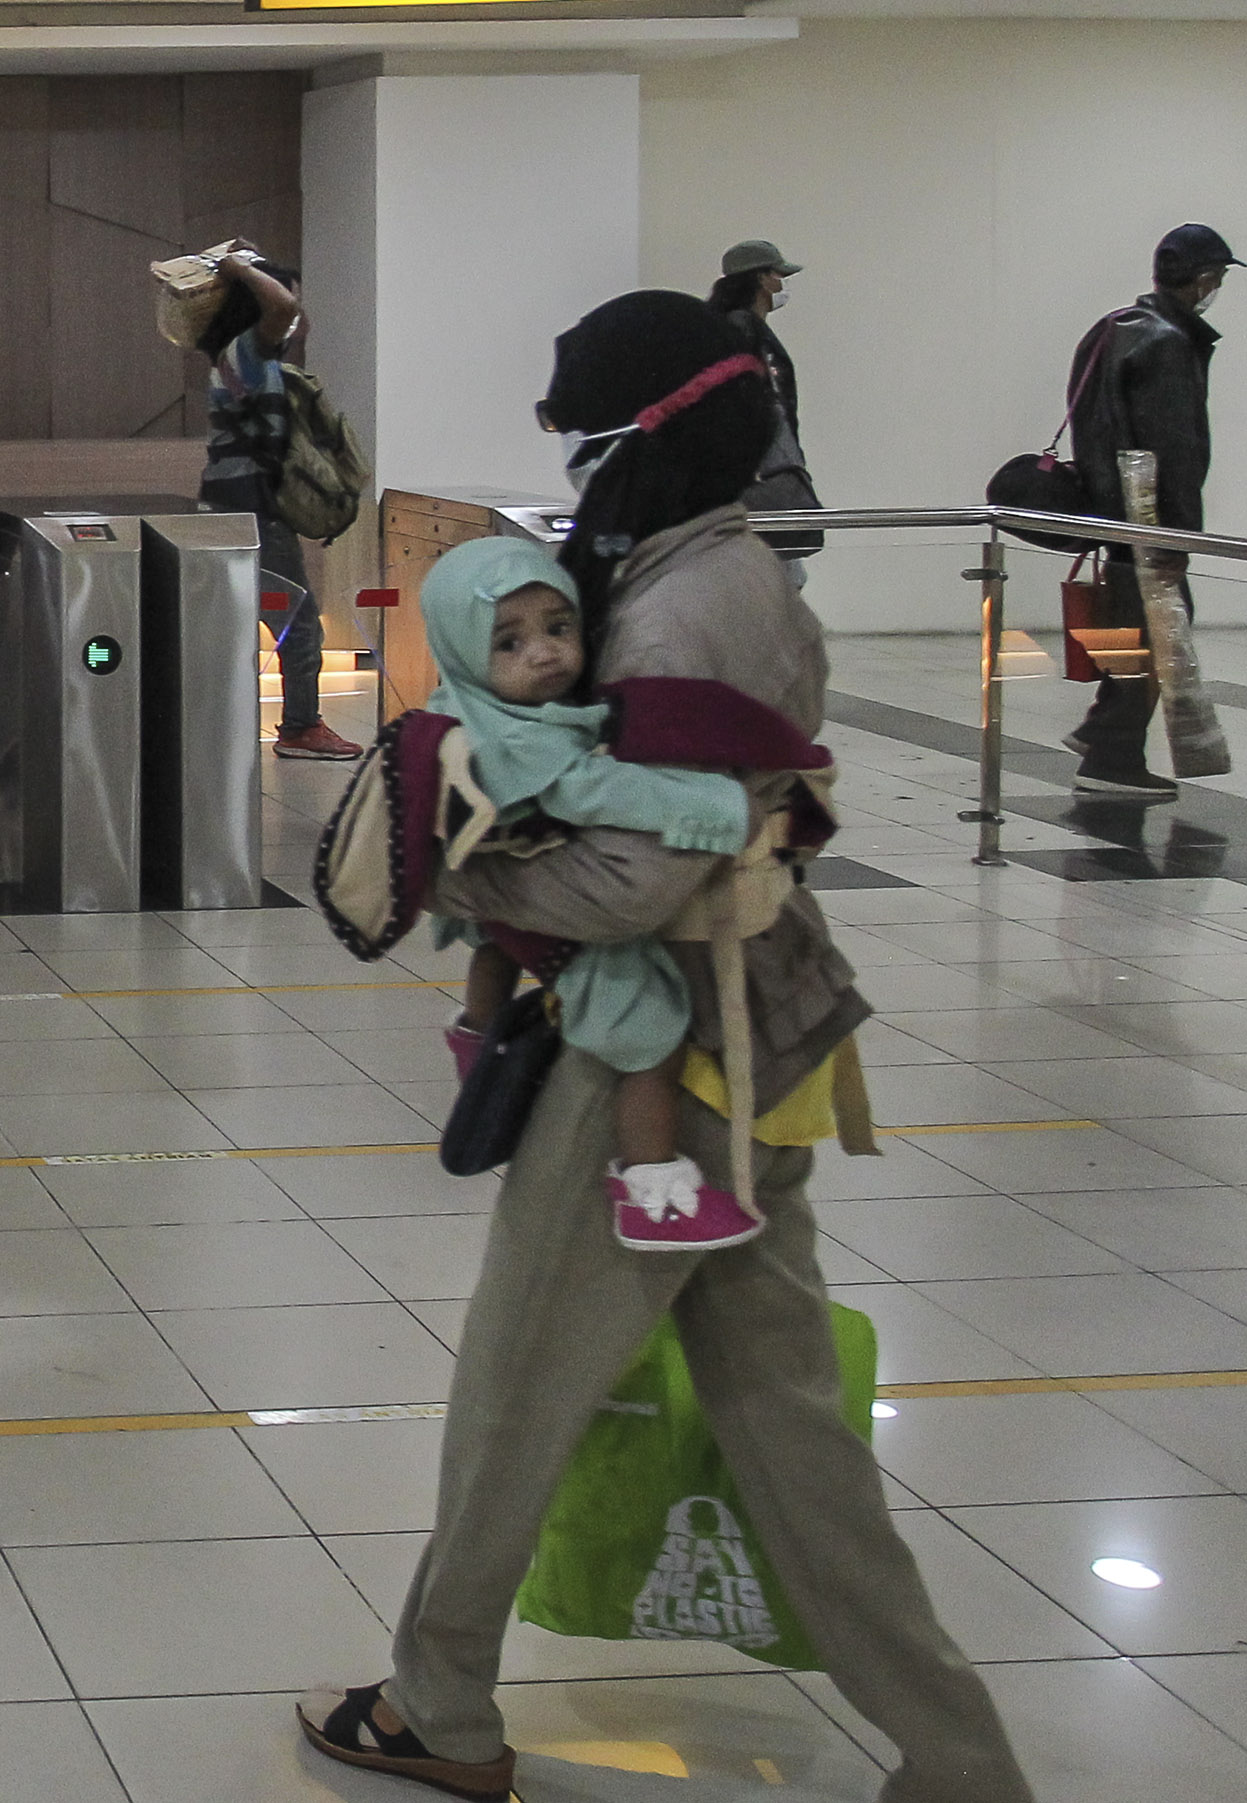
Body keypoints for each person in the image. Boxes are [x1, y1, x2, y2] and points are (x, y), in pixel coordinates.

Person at [300, 290, 1032, 1803]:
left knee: (517, 1385)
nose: (573, 465)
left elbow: (641, 877)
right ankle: (959, 1751)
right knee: (784, 1417)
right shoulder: (716, 567)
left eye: (585, 433)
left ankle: (439, 1703)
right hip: (761, 1033)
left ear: (657, 426)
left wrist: (464, 872)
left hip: (664, 1055)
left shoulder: (689, 603)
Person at [422, 536, 765, 1254]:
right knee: (651, 1032)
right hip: (560, 918)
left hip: (495, 904)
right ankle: (650, 1187)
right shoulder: (523, 740)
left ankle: (477, 1029)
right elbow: (599, 791)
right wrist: (719, 804)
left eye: (558, 627)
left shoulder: (458, 704)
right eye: (508, 642)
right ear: (460, 646)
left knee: (491, 942)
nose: (543, 652)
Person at [1065, 222, 1238, 800]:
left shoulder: (1113, 328)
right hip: (1148, 520)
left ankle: (1100, 731)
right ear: (1205, 279)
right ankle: (1111, 758)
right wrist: (1182, 535)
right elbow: (1175, 449)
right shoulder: (1165, 342)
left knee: (1133, 630)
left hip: (1110, 513)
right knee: (1161, 635)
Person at [196, 249, 358, 760]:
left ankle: (221, 725)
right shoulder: (245, 352)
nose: (296, 312)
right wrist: (240, 271)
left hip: (238, 510)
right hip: (250, 514)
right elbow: (285, 310)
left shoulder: (244, 358)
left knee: (240, 623)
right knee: (300, 622)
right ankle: (300, 727)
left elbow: (292, 315)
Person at [709, 241, 821, 586]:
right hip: (758, 473)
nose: (782, 284)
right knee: (780, 578)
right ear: (760, 279)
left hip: (753, 471)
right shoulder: (742, 328)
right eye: (777, 274)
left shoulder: (740, 327)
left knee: (785, 577)